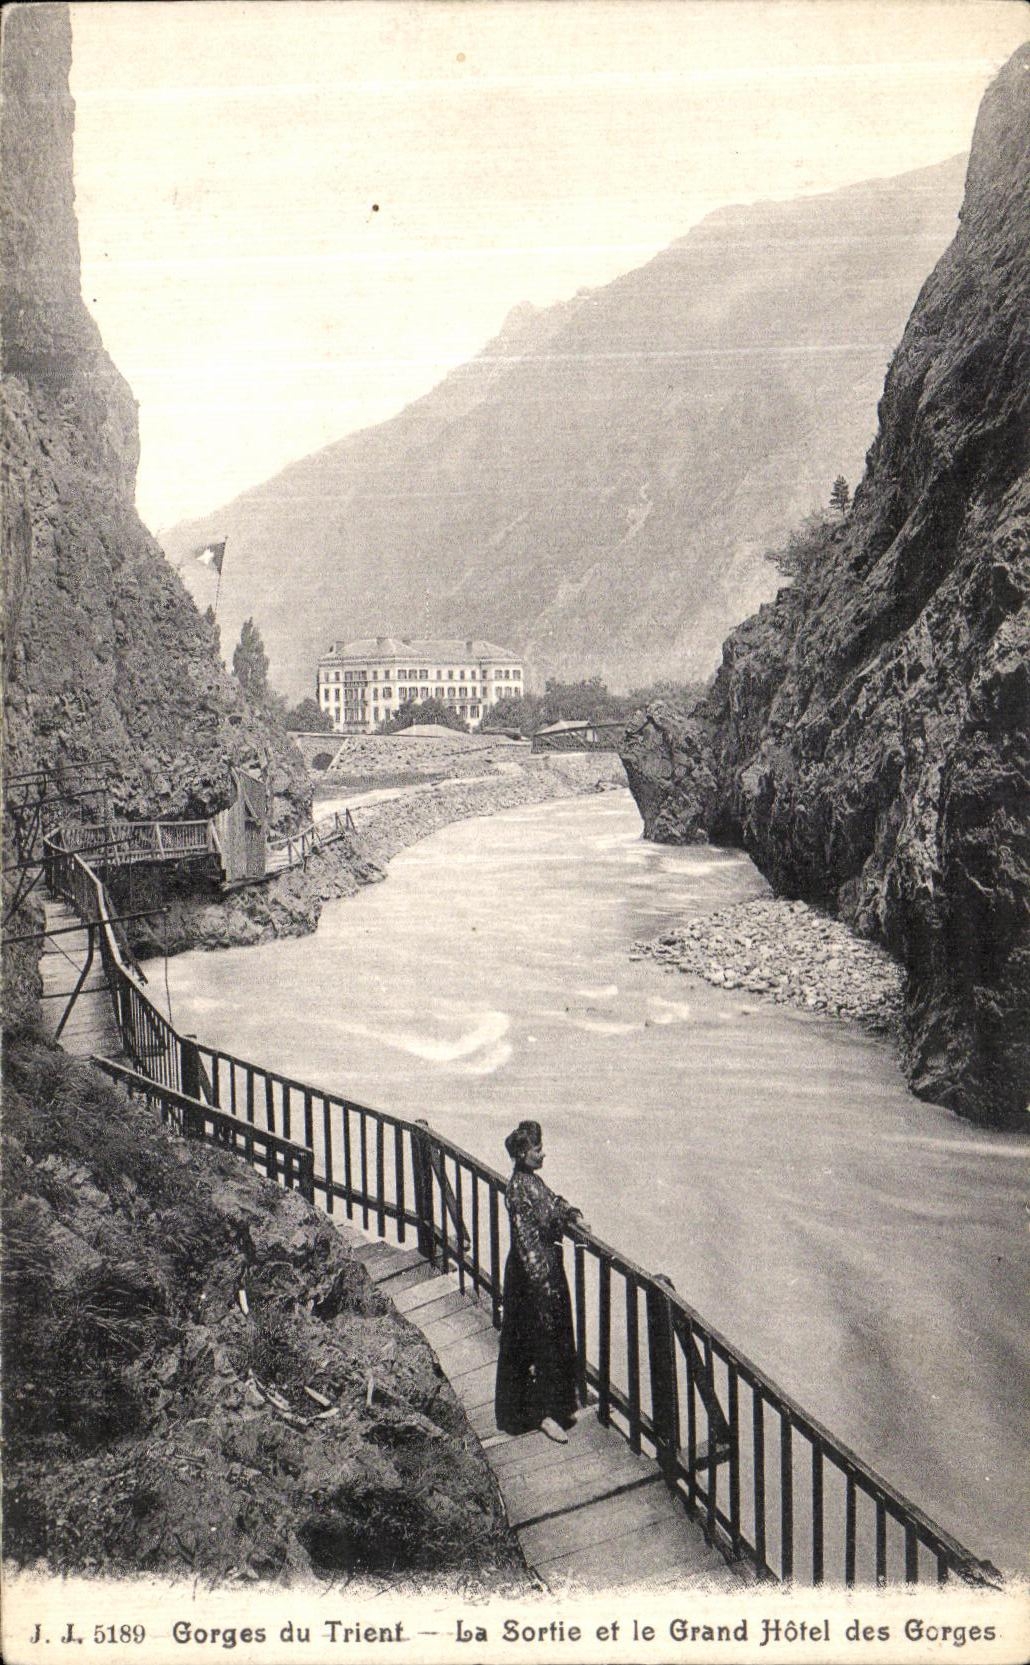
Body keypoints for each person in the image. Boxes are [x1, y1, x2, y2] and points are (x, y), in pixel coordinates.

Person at [494, 1120, 587, 1443]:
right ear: (523, 1154)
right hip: (530, 1278)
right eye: (537, 1149)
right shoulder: (518, 1189)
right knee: (537, 1343)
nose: (543, 1154)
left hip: (544, 1270)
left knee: (551, 1340)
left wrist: (572, 1213)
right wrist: (544, 1290)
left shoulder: (532, 1181)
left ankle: (557, 1408)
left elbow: (553, 1201)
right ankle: (542, 1415)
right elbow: (529, 1242)